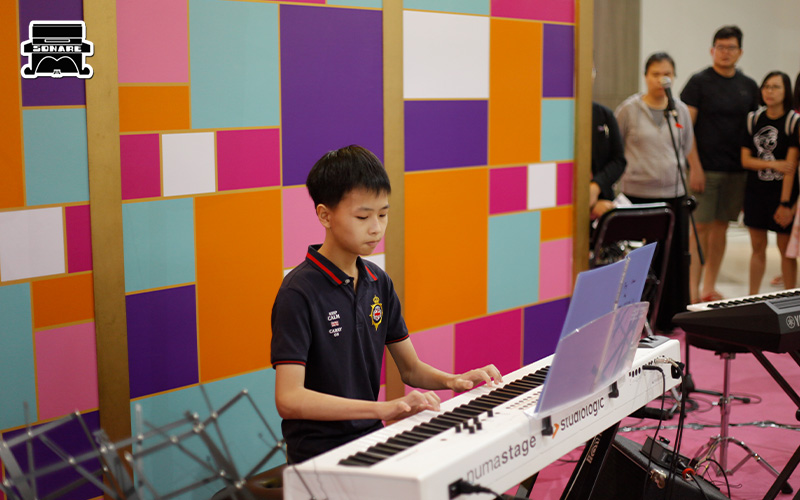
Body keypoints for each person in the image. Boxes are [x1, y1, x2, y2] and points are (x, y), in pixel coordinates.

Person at [270, 145, 502, 464]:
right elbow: (289, 398)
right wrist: (381, 409)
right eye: (363, 216)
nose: (376, 227)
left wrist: (455, 380)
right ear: (325, 215)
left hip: (370, 440)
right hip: (318, 455)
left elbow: (409, 368)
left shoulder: (378, 282)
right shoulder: (299, 291)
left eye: (383, 214)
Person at [615, 52, 694, 332]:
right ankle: (633, 323)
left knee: (672, 260)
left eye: (667, 74)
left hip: (673, 194)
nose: (662, 79)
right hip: (637, 195)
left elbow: (685, 148)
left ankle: (668, 318)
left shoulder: (680, 110)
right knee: (641, 263)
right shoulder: (629, 109)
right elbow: (617, 149)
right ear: (645, 76)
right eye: (656, 74)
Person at [680, 25, 760, 303]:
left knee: (721, 228)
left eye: (731, 48)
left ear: (740, 52)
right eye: (720, 47)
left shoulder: (749, 86)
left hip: (736, 171)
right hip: (705, 169)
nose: (725, 53)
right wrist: (696, 167)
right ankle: (691, 290)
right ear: (712, 49)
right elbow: (685, 130)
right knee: (699, 228)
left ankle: (708, 289)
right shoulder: (698, 82)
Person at [741, 71, 800, 294]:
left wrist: (786, 204)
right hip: (756, 193)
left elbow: (791, 167)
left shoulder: (793, 121)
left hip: (782, 194)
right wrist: (774, 165)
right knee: (757, 248)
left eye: (775, 87)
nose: (769, 91)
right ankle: (752, 297)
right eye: (766, 86)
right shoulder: (753, 118)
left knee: (786, 250)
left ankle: (790, 299)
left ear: (786, 91)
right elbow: (745, 160)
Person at [590, 65, 626, 220]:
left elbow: (619, 160)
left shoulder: (604, 115)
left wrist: (596, 186)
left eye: (590, 71)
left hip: (603, 200)